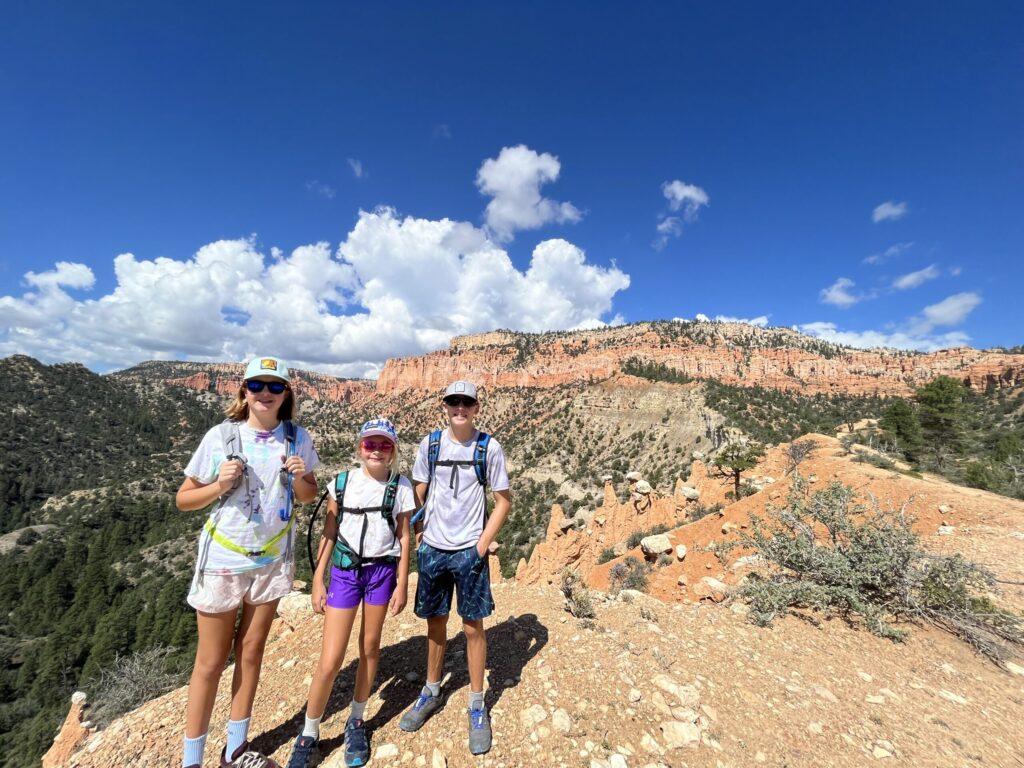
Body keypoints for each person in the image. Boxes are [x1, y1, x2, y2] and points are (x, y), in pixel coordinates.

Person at [176, 357, 319, 768]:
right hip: (224, 559)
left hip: (273, 559)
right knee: (210, 662)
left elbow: (308, 495)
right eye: (257, 385)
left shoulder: (297, 438)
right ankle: (192, 760)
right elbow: (184, 499)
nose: (265, 394)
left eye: (275, 387)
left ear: (286, 394)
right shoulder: (221, 437)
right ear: (243, 390)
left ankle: (235, 750)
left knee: (252, 651)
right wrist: (219, 485)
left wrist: (300, 479)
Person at [287, 418, 413, 768]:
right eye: (371, 444)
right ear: (360, 448)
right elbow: (329, 531)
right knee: (331, 658)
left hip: (381, 573)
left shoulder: (400, 487)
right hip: (345, 573)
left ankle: (356, 719)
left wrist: (402, 583)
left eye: (384, 445)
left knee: (370, 646)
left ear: (393, 452)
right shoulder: (341, 484)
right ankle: (309, 733)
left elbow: (404, 537)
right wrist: (317, 579)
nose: (376, 450)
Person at [398, 381, 511, 755]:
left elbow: (503, 501)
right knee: (435, 622)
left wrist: (480, 546)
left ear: (477, 407)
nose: (460, 407)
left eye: (467, 402)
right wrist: (420, 531)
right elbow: (419, 488)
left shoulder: (488, 447)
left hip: (468, 551)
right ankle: (431, 690)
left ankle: (477, 703)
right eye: (454, 401)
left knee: (473, 626)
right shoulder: (430, 445)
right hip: (434, 548)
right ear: (444, 405)